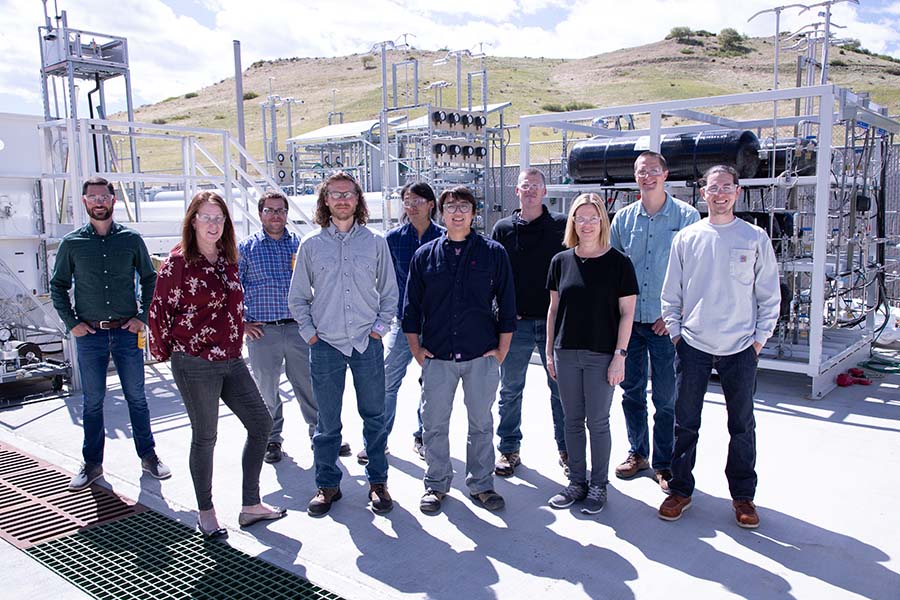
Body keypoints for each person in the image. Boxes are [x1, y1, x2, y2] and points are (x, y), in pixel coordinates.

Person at [149, 191, 284, 539]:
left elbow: (234, 303)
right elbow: (159, 311)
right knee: (206, 436)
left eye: (219, 218)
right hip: (194, 361)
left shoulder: (228, 258)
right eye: (206, 217)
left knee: (261, 423)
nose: (213, 224)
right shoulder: (178, 263)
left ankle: (251, 504)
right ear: (192, 220)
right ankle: (206, 511)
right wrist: (168, 355)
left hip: (230, 358)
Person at [658, 165, 780, 528]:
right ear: (703, 193)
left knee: (741, 425)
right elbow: (671, 293)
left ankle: (743, 497)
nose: (720, 194)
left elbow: (768, 294)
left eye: (727, 187)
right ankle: (680, 489)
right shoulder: (688, 237)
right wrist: (678, 336)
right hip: (693, 345)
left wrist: (759, 340)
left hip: (741, 347)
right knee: (686, 422)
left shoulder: (754, 237)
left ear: (738, 192)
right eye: (714, 188)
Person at [288, 171, 398, 517]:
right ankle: (328, 485)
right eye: (334, 194)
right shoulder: (311, 245)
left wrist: (379, 330)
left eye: (348, 194)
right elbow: (298, 298)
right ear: (325, 200)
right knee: (327, 423)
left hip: (367, 343)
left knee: (375, 416)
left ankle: (377, 482)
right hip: (326, 345)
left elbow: (390, 294)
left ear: (358, 199)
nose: (342, 200)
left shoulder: (376, 242)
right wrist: (310, 334)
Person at [50, 176, 170, 492]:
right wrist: (71, 322)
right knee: (93, 401)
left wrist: (142, 316)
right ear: (84, 201)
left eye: (104, 196)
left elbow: (150, 279)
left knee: (137, 398)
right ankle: (92, 464)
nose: (99, 202)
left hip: (127, 333)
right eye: (93, 197)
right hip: (89, 337)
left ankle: (149, 456)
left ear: (113, 200)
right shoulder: (73, 244)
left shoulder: (131, 240)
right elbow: (57, 286)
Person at [403, 186, 516, 515]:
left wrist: (501, 351)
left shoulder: (493, 253)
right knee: (434, 425)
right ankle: (436, 484)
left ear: (473, 212)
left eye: (464, 207)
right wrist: (416, 350)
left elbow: (508, 306)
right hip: (437, 357)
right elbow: (411, 309)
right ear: (440, 212)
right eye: (450, 206)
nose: (457, 212)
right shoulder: (425, 256)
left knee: (481, 424)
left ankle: (482, 484)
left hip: (481, 356)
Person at [238, 190, 350, 465]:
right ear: (260, 213)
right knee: (267, 390)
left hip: (298, 329)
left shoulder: (302, 246)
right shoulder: (246, 249)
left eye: (280, 210)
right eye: (269, 210)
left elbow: (318, 284)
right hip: (262, 332)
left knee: (310, 386)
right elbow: (231, 288)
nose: (275, 215)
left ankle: (321, 436)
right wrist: (241, 322)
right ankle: (271, 439)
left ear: (287, 214)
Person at [610, 152, 700, 490]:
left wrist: (673, 314)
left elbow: (694, 272)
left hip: (665, 326)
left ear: (665, 174)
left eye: (652, 171)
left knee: (665, 398)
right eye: (640, 172)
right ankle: (638, 453)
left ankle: (664, 463)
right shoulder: (623, 219)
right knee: (631, 392)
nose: (647, 177)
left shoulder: (686, 216)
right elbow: (614, 270)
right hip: (630, 324)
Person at [545, 193, 637, 514]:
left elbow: (627, 313)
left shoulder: (620, 263)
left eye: (592, 217)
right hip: (566, 353)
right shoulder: (561, 261)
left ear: (602, 221)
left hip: (602, 356)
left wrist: (620, 355)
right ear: (572, 222)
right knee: (571, 420)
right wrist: (549, 351)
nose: (586, 224)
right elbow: (554, 310)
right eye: (580, 218)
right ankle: (577, 482)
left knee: (597, 422)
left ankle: (598, 484)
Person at [491, 168, 568, 477]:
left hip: (554, 323)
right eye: (526, 186)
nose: (532, 191)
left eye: (537, 186)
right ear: (517, 192)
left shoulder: (562, 227)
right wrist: (500, 311)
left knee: (561, 390)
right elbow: (493, 274)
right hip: (516, 324)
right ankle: (509, 449)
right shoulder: (503, 228)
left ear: (545, 191)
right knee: (510, 389)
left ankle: (567, 450)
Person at [365, 181, 443, 465]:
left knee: (431, 385)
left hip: (436, 325)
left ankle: (422, 437)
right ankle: (377, 441)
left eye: (417, 201)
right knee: (387, 382)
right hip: (403, 322)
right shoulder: (393, 239)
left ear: (431, 204)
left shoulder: (445, 238)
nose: (411, 206)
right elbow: (380, 280)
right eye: (407, 201)